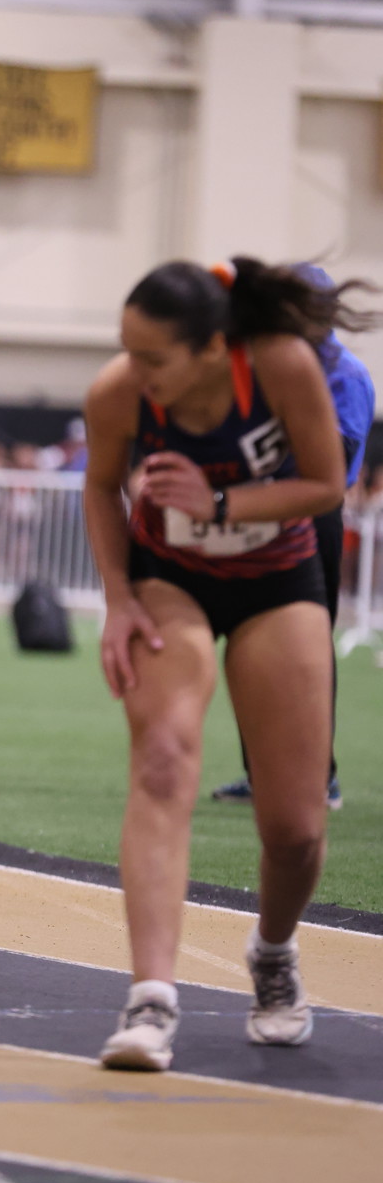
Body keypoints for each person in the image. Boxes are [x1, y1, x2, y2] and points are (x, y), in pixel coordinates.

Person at [83, 256, 374, 1071]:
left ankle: (273, 952)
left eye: (152, 357)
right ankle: (150, 999)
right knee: (163, 760)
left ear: (213, 347)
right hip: (169, 578)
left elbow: (325, 484)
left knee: (295, 827)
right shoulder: (119, 392)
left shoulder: (280, 363)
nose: (134, 370)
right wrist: (119, 599)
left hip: (278, 577)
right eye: (127, 350)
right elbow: (100, 488)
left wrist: (216, 503)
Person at [211, 264, 376, 813]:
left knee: (307, 650)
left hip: (310, 516)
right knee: (247, 643)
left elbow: (327, 461)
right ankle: (260, 773)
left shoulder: (344, 374)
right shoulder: (266, 362)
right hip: (257, 512)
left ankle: (320, 777)